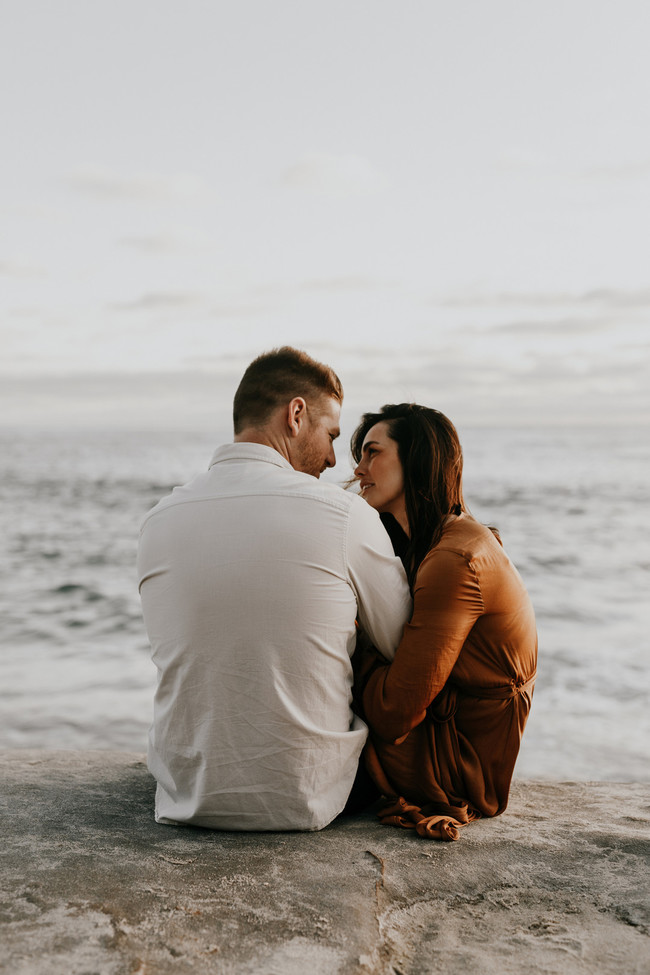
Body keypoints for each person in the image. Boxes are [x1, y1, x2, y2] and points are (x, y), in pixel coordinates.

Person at [137, 348, 411, 832]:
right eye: (330, 435)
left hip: (187, 793)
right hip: (308, 794)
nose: (331, 459)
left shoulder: (158, 521)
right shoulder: (344, 515)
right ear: (296, 414)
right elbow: (402, 645)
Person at [351, 403, 537, 841]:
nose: (359, 469)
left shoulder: (455, 558)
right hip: (451, 739)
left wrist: (353, 648)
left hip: (457, 767)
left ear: (418, 459)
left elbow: (396, 713)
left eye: (372, 453)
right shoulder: (446, 538)